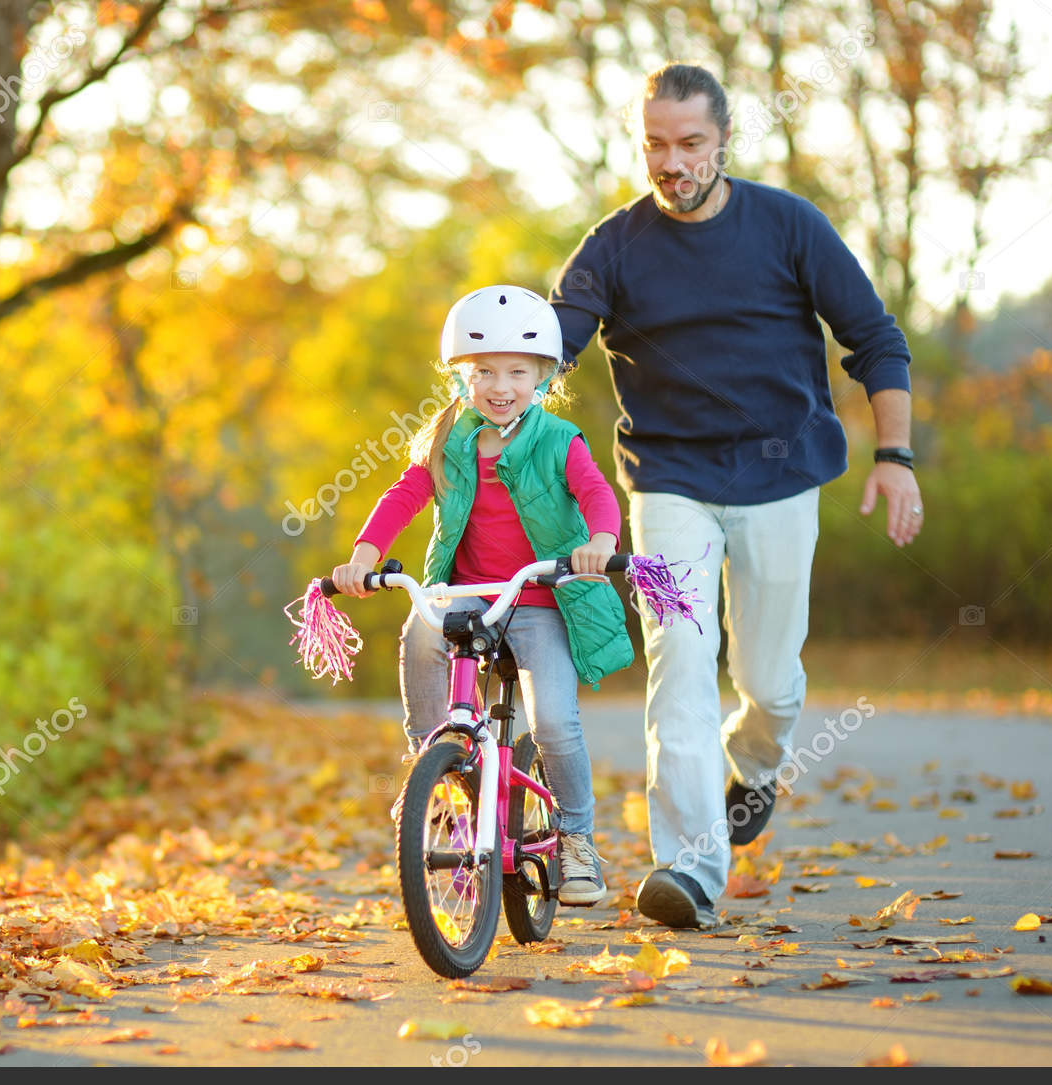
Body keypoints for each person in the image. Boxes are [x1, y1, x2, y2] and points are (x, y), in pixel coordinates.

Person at [548, 63, 921, 929]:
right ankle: (689, 867)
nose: (672, 163)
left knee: (769, 681)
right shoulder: (614, 244)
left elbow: (874, 339)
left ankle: (755, 763)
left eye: (691, 144)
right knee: (680, 658)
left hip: (781, 479)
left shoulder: (788, 226)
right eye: (656, 145)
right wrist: (500, 392)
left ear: (722, 142)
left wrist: (895, 455)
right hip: (669, 482)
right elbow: (556, 339)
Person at [330, 284, 634, 906]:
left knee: (553, 721)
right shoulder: (449, 439)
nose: (501, 386)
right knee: (421, 630)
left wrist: (600, 541)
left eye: (517, 372)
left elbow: (597, 493)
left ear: (543, 375)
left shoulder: (559, 439)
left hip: (538, 598)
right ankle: (431, 768)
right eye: (484, 372)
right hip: (467, 593)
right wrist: (364, 555)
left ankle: (577, 839)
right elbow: (405, 495)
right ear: (460, 378)